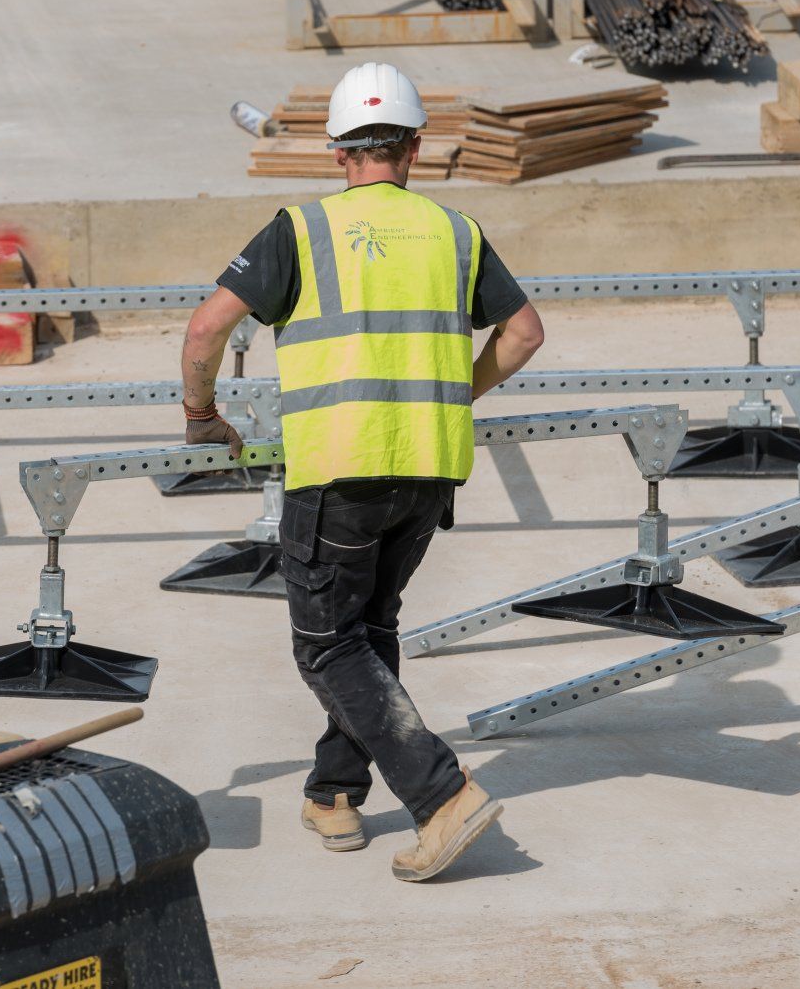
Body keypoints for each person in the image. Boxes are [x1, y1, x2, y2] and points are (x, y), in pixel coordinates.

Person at [179, 62, 545, 882]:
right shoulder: (456, 231)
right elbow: (524, 333)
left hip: (340, 469)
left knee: (326, 646)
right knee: (369, 632)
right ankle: (335, 793)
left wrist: (202, 415)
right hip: (428, 470)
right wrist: (453, 393)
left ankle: (442, 796)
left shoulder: (301, 230)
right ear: (414, 148)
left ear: (339, 151)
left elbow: (206, 331)